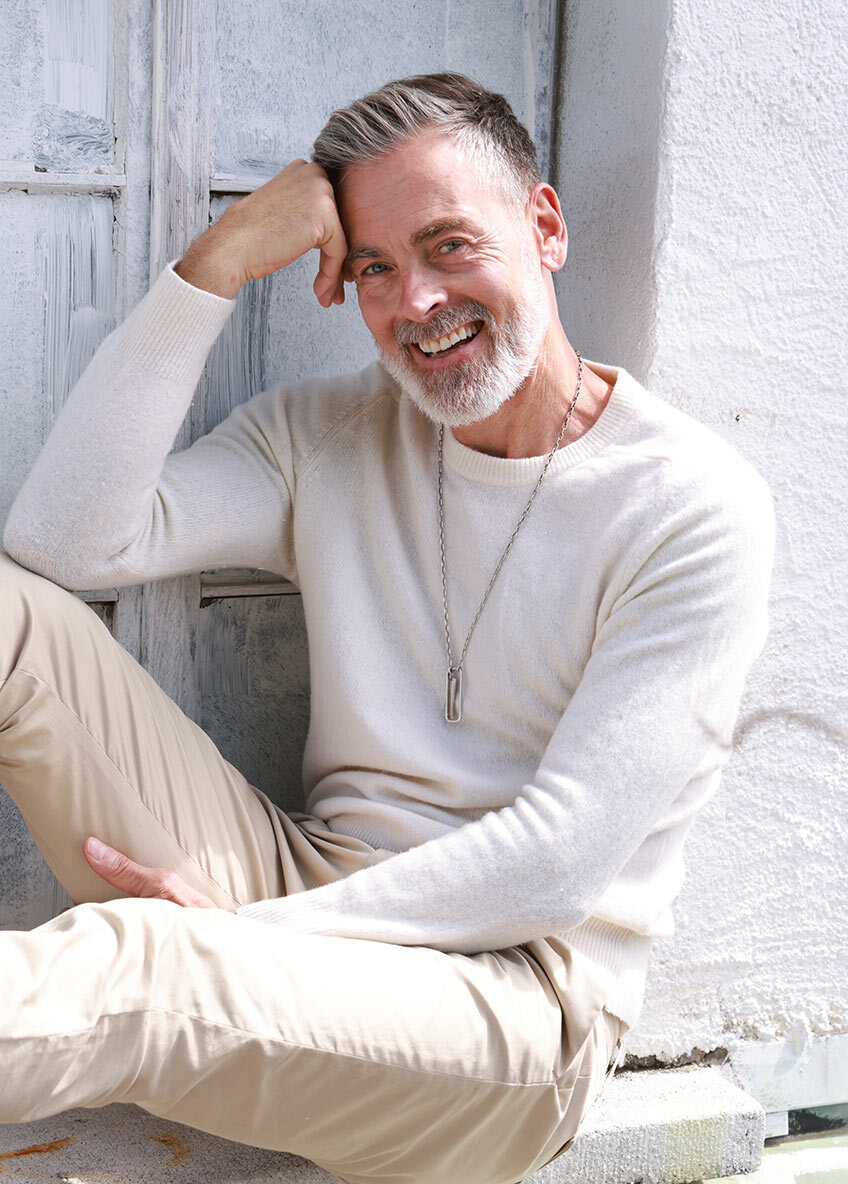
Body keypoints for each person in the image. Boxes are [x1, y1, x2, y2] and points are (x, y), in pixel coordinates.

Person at [0, 74, 773, 1184]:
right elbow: (66, 541)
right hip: (305, 882)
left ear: (545, 227)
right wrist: (215, 262)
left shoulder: (689, 508)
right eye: (373, 267)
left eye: (449, 245)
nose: (416, 301)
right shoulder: (331, 435)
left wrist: (244, 942)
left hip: (511, 1006)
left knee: (146, 965)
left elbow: (552, 866)